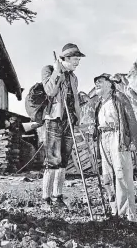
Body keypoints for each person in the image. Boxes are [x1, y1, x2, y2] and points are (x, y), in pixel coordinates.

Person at [41, 43, 85, 210]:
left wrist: (77, 117)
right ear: (65, 58)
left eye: (78, 60)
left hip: (69, 120)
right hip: (54, 119)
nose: (77, 63)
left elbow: (73, 99)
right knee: (53, 159)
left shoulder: (73, 77)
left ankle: (57, 197)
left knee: (64, 160)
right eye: (75, 59)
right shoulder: (49, 70)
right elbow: (50, 91)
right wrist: (58, 72)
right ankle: (46, 199)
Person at [93, 73, 137, 221]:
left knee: (122, 175)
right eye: (95, 82)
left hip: (118, 137)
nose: (97, 84)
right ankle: (114, 211)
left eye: (100, 81)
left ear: (109, 84)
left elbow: (131, 119)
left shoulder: (119, 98)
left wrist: (132, 141)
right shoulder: (100, 103)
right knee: (107, 176)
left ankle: (127, 215)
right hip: (103, 138)